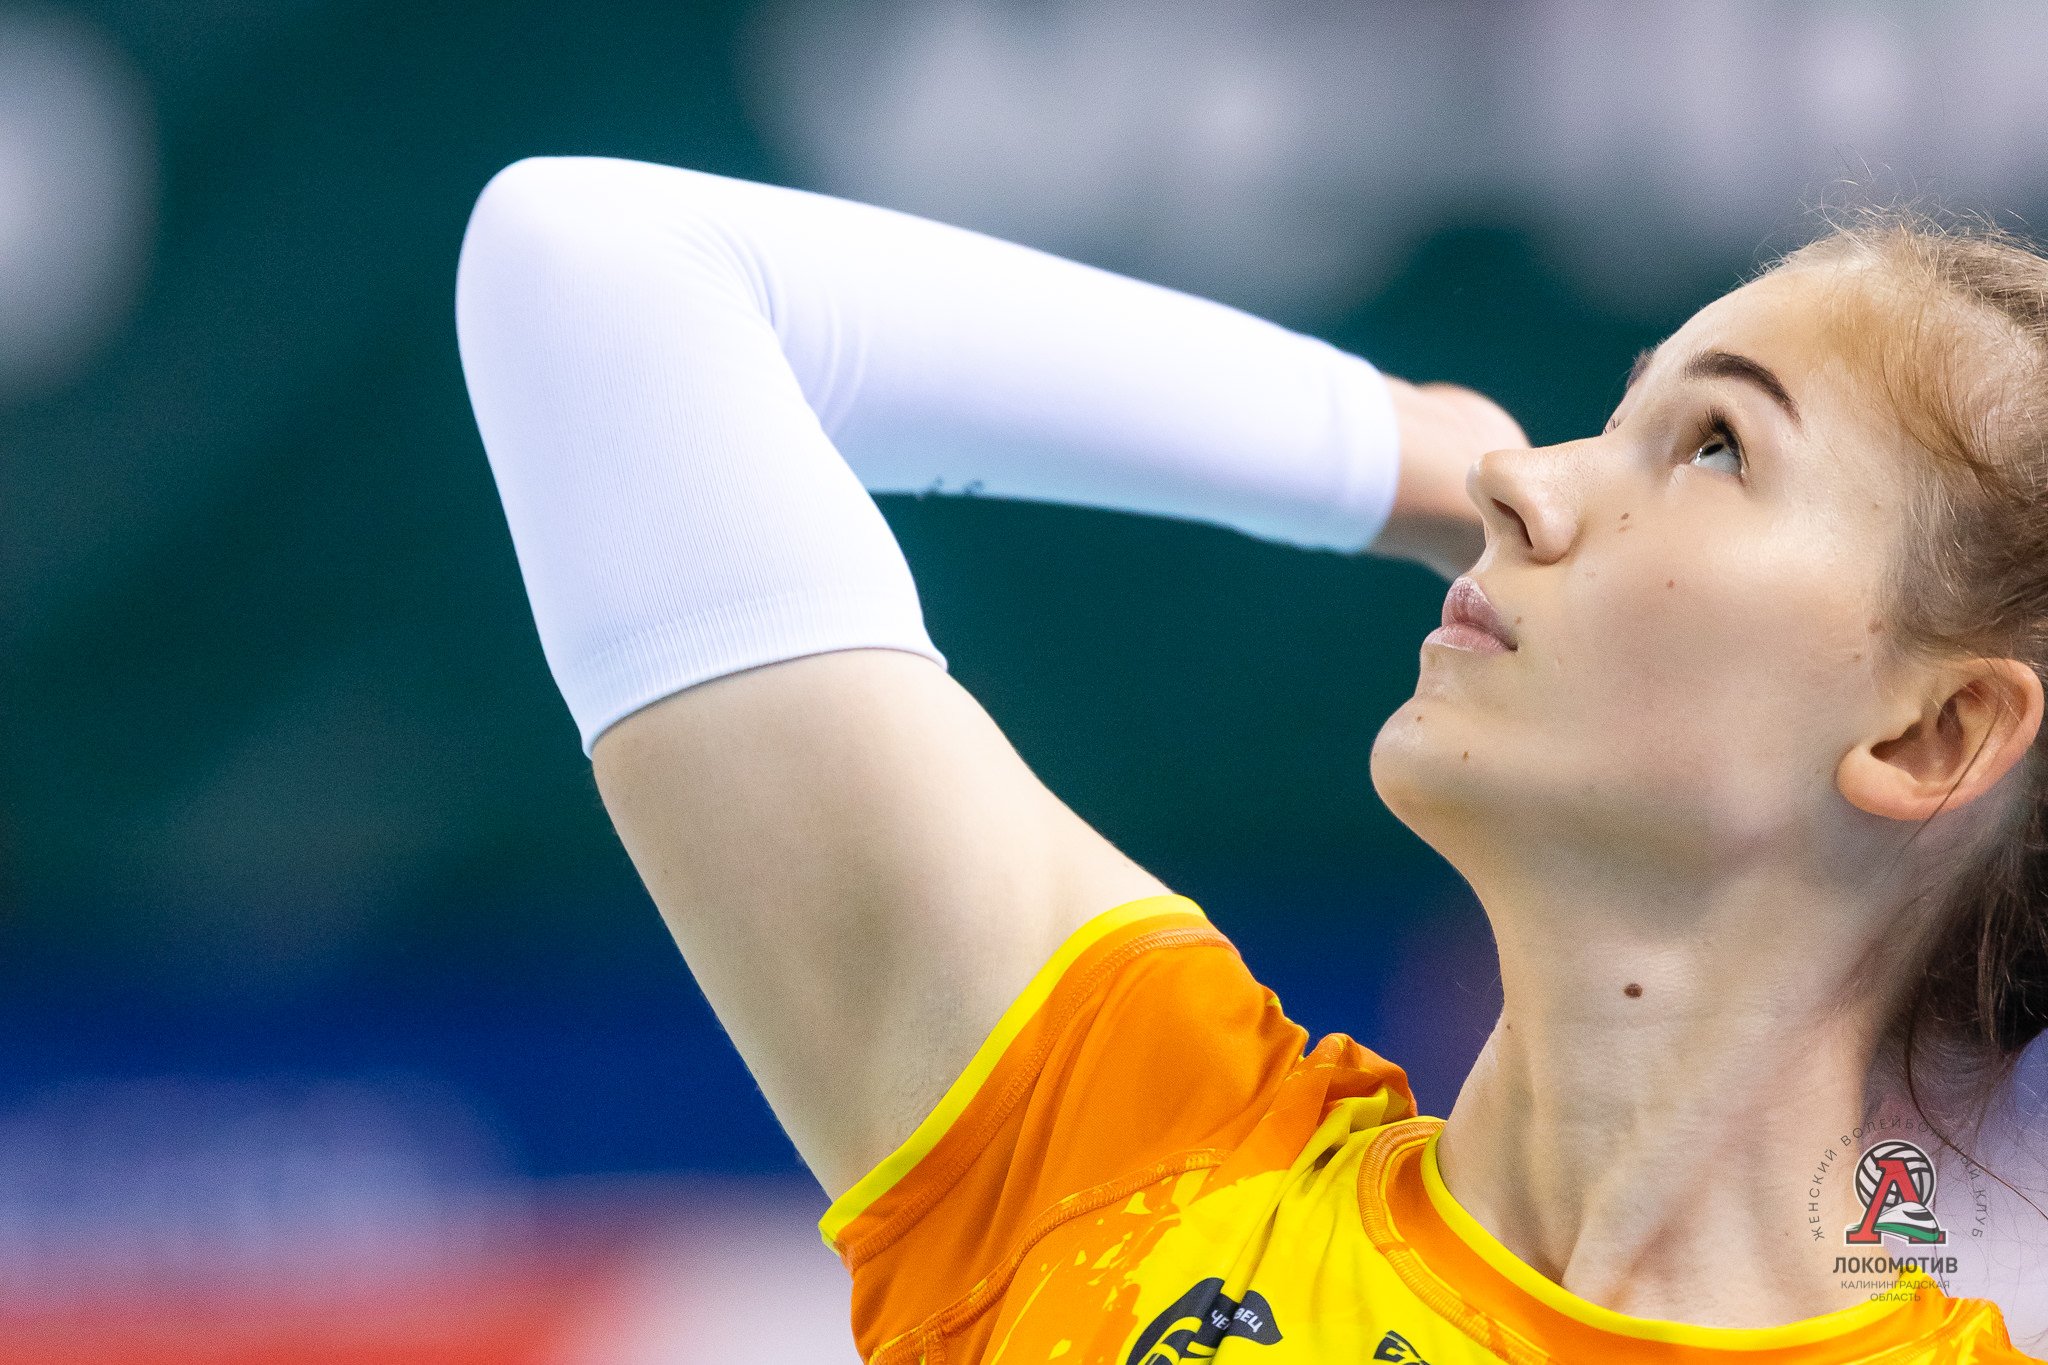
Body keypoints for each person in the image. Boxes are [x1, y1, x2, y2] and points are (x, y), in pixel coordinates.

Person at [454, 156, 2046, 1361]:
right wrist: (1382, 444)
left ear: (1933, 732)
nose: (1523, 484)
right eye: (1612, 416)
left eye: (1714, 447)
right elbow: (598, 272)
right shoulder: (1118, 1160)